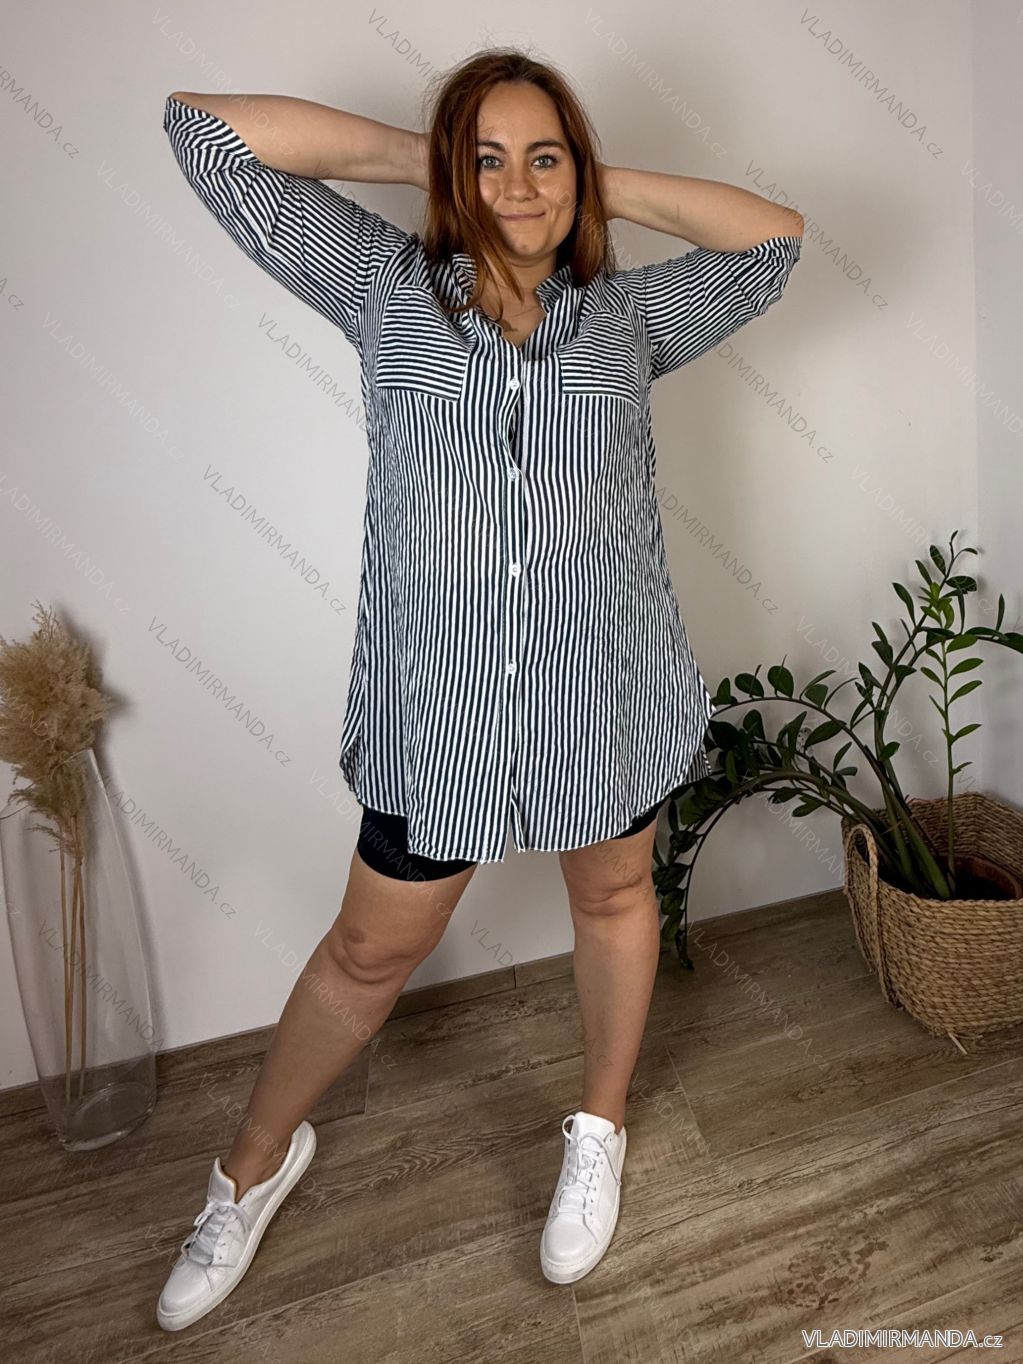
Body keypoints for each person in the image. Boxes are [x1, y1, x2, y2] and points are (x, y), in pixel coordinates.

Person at [156, 46, 803, 1331]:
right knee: (368, 948)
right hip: (438, 710)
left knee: (612, 895)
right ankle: (251, 1167)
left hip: (602, 692)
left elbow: (774, 241)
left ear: (579, 167)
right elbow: (202, 130)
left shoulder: (630, 318)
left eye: (542, 156)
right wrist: (437, 166)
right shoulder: (384, 286)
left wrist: (588, 185)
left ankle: (599, 1127)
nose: (517, 184)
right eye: (488, 157)